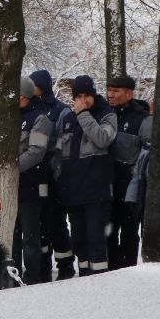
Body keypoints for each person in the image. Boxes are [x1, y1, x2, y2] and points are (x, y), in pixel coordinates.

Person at [53, 75, 117, 276]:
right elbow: (60, 153)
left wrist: (83, 115)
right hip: (74, 191)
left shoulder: (107, 115)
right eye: (78, 96)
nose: (82, 100)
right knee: (79, 241)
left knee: (96, 240)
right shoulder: (68, 120)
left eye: (86, 95)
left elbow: (102, 138)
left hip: (97, 192)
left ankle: (98, 280)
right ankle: (83, 279)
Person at [30, 69, 75, 279]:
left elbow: (63, 144)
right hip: (36, 175)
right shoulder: (30, 108)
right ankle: (43, 266)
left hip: (55, 174)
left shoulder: (61, 110)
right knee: (39, 222)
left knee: (57, 221)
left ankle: (65, 264)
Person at [105, 74, 152, 271]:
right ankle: (109, 270)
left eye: (115, 91)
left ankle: (127, 271)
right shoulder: (106, 115)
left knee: (130, 233)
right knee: (108, 232)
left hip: (130, 188)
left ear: (129, 93)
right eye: (109, 90)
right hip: (107, 185)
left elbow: (146, 155)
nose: (110, 95)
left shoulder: (142, 119)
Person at [17, 75, 57, 285]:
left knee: (30, 237)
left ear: (24, 96)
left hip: (30, 186)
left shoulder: (40, 118)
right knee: (13, 236)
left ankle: (32, 277)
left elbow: (36, 152)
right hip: (12, 187)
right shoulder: (12, 115)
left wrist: (11, 169)